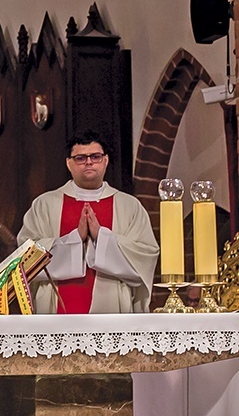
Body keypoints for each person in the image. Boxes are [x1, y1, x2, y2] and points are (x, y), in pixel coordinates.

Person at [17, 130, 159, 313]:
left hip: (111, 310)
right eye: (80, 158)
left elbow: (145, 256)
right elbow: (25, 257)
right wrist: (75, 239)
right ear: (69, 163)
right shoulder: (45, 204)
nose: (89, 162)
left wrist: (102, 236)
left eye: (96, 156)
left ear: (105, 161)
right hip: (57, 310)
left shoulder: (129, 206)